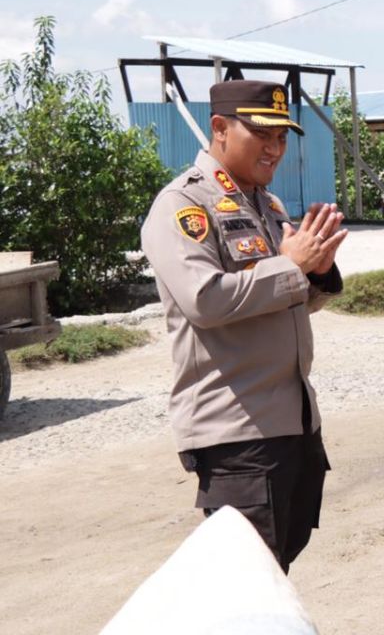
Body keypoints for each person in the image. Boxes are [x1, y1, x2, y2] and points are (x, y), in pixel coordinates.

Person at [141, 79, 348, 573]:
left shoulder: (266, 205)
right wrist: (291, 267)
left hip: (291, 421)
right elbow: (205, 300)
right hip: (236, 431)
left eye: (282, 139)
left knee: (278, 566)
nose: (275, 149)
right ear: (219, 128)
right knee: (246, 578)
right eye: (263, 135)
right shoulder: (182, 206)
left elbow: (279, 299)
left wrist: (315, 272)